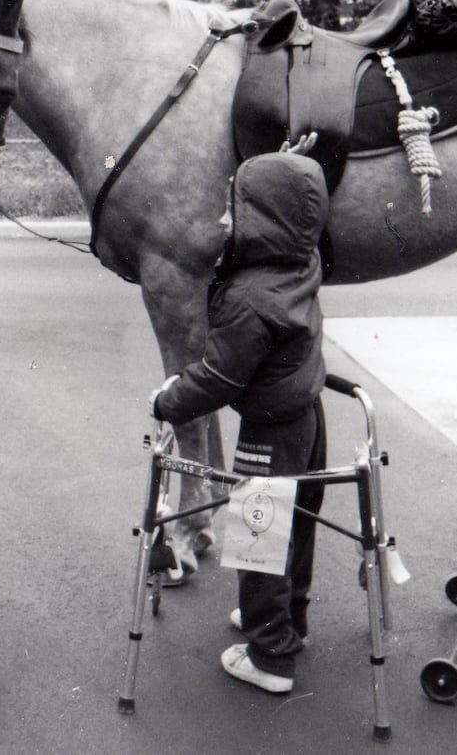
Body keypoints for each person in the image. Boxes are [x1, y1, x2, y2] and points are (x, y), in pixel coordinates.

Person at [149, 150, 330, 695]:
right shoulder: (301, 262)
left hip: (269, 431)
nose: (224, 220)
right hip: (306, 418)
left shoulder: (251, 298)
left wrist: (167, 401)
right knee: (291, 531)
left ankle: (270, 655)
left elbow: (218, 378)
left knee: (257, 538)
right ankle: (287, 620)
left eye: (234, 209)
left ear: (265, 222)